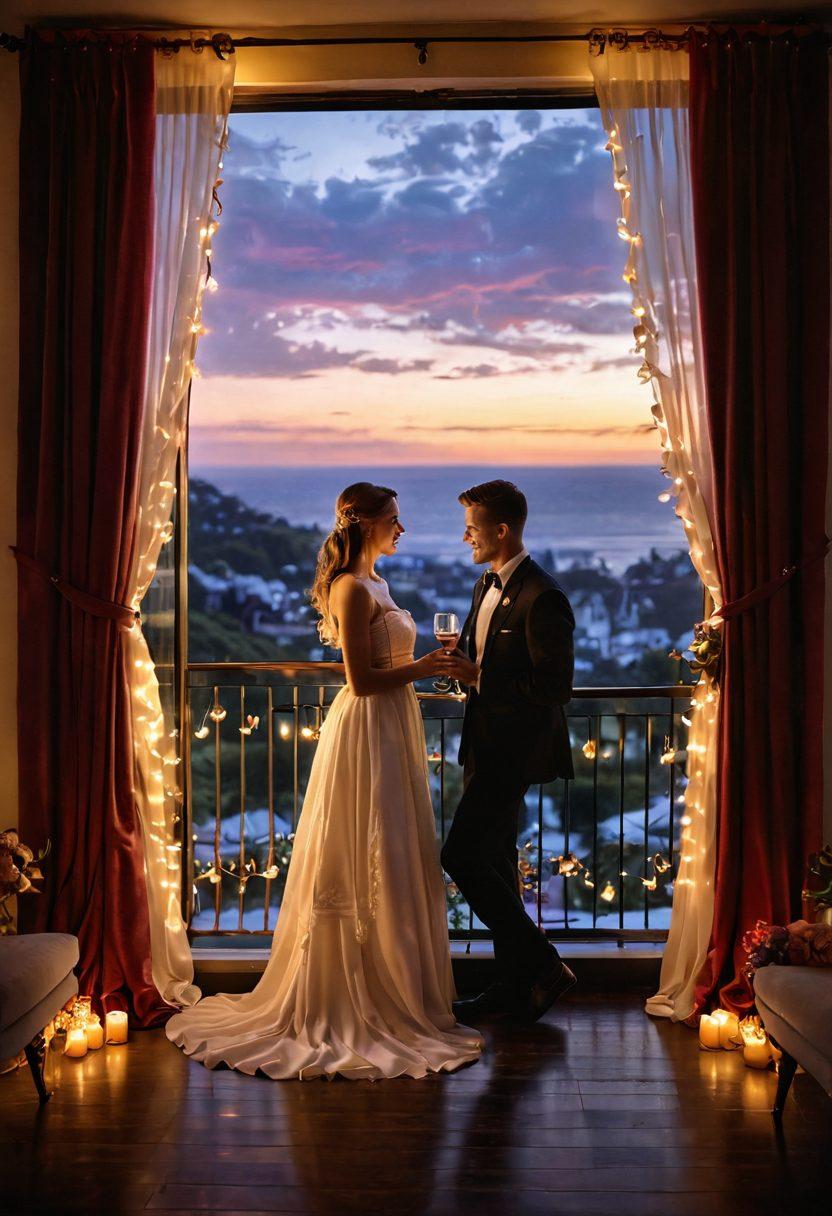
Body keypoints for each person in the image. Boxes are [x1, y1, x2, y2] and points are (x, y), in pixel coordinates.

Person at [166, 482, 483, 1079]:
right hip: (368, 722)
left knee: (390, 847)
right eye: (394, 518)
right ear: (362, 523)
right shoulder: (350, 588)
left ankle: (398, 985)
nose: (402, 528)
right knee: (363, 845)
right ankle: (352, 992)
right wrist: (427, 666)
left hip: (392, 723)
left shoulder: (377, 583)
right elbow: (362, 680)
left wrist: (421, 670)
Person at [440, 479, 577, 1022]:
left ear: (500, 530)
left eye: (471, 528)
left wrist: (480, 676)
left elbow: (555, 686)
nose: (464, 537)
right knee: (495, 861)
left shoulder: (545, 597)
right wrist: (462, 676)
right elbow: (483, 665)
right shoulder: (484, 584)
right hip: (483, 744)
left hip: (513, 752)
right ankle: (515, 985)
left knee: (460, 856)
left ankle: (545, 965)